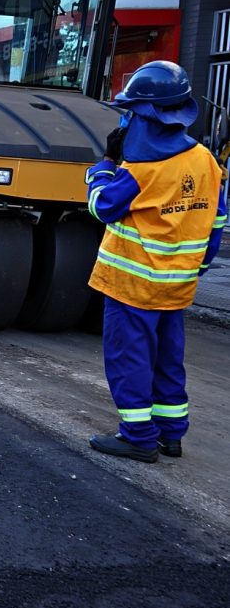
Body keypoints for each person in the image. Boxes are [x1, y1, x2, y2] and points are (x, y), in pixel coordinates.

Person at [84, 61, 227, 463]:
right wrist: (197, 267)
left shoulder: (140, 170)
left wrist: (101, 169)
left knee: (129, 359)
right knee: (168, 360)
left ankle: (138, 437)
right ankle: (171, 434)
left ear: (145, 116)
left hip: (131, 286)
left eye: (130, 112)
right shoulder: (207, 163)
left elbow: (102, 207)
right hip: (177, 286)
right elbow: (216, 222)